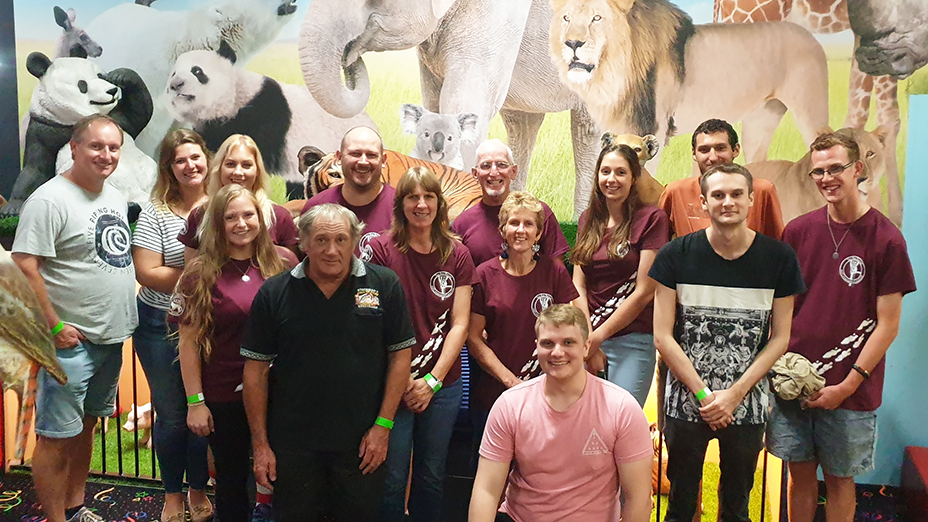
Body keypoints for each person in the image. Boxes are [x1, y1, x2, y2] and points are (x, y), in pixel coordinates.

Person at [765, 133, 915, 522]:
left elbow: (888, 325)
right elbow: (782, 309)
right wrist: (779, 369)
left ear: (858, 169)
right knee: (798, 479)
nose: (827, 178)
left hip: (849, 391)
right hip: (792, 385)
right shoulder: (798, 231)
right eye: (819, 171)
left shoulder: (887, 240)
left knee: (838, 482)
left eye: (836, 168)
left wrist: (847, 384)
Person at [649, 163, 806, 522]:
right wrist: (705, 395)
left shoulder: (779, 259)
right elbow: (662, 335)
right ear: (703, 203)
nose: (727, 202)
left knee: (736, 506)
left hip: (746, 404)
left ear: (751, 199)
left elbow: (780, 338)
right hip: (687, 402)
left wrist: (734, 395)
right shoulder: (674, 255)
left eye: (736, 194)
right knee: (680, 505)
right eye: (717, 195)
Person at [241, 203, 415, 522]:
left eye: (340, 240)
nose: (331, 250)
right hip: (293, 447)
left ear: (354, 242)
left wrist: (383, 427)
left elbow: (401, 356)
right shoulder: (274, 293)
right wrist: (261, 445)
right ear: (304, 242)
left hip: (362, 445)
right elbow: (254, 373)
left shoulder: (384, 285)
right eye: (321, 240)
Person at [12, 114, 138, 522]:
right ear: (74, 148)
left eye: (113, 148)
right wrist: (53, 325)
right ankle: (54, 518)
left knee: (87, 427)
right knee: (54, 436)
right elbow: (25, 264)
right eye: (96, 146)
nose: (106, 155)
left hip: (110, 337)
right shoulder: (49, 199)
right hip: (70, 344)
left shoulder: (114, 196)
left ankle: (76, 505)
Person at [171, 185, 295, 522]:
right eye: (230, 217)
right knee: (231, 481)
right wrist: (195, 402)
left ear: (261, 218)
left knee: (287, 477)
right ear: (217, 224)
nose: (241, 223)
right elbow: (188, 343)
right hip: (225, 394)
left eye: (248, 214)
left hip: (279, 393)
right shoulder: (198, 274)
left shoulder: (284, 263)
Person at [469, 304, 653, 522]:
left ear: (586, 347)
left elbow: (638, 499)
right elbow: (486, 490)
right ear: (536, 347)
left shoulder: (622, 409)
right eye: (548, 343)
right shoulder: (510, 405)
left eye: (568, 342)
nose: (557, 352)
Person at [369, 167, 477, 522]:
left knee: (431, 476)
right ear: (400, 204)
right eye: (412, 197)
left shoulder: (457, 254)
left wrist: (431, 381)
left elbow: (461, 323)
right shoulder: (382, 249)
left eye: (428, 196)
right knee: (393, 477)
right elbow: (374, 322)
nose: (421, 204)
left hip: (441, 386)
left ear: (439, 203)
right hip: (391, 385)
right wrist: (400, 382)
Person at [131, 129, 212, 522]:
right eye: (180, 160)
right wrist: (204, 274)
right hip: (159, 325)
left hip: (209, 326)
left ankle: (199, 491)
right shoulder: (156, 212)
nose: (190, 165)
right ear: (170, 167)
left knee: (202, 409)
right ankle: (173, 496)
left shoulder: (224, 204)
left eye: (195, 157)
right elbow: (147, 272)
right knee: (173, 413)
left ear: (207, 159)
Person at [467, 191, 579, 461]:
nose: (521, 230)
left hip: (548, 392)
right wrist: (509, 381)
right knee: (493, 471)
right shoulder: (484, 274)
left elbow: (569, 330)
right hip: (496, 393)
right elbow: (473, 338)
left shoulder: (554, 273)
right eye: (514, 223)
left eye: (528, 224)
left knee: (542, 470)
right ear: (502, 230)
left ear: (539, 233)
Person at [571, 135, 670, 406]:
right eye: (605, 171)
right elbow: (578, 284)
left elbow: (644, 291)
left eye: (621, 172)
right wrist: (588, 340)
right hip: (587, 337)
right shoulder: (588, 218)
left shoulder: (652, 219)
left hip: (632, 340)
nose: (611, 179)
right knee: (585, 425)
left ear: (634, 178)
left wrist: (597, 338)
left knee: (620, 422)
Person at [178, 133, 299, 261]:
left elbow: (290, 274)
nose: (238, 172)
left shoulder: (279, 217)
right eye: (230, 164)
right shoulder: (199, 216)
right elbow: (192, 273)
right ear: (219, 168)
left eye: (246, 165)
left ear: (257, 170)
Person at [658, 118, 784, 239]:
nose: (712, 157)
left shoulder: (762, 190)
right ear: (694, 154)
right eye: (704, 150)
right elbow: (658, 243)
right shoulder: (676, 192)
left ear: (735, 150)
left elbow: (777, 246)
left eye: (720, 148)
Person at [452, 139, 570, 266]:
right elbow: (459, 276)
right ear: (475, 174)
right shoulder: (462, 225)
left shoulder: (539, 213)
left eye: (501, 164)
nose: (494, 172)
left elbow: (558, 272)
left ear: (513, 171)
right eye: (486, 165)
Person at [301, 126, 395, 261]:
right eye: (355, 154)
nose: (363, 162)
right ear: (339, 158)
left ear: (384, 160)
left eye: (371, 155)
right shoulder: (316, 207)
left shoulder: (403, 207)